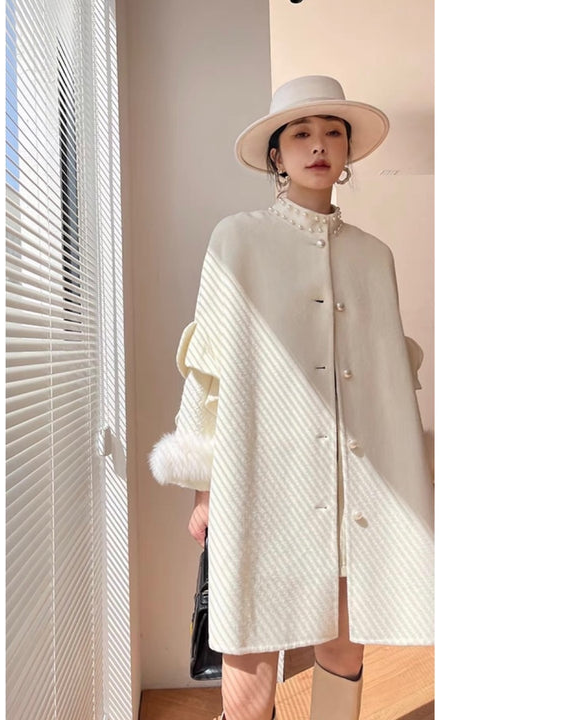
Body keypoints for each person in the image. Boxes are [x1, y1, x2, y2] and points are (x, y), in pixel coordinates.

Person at [148, 75, 434, 720]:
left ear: (348, 151)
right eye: (301, 133)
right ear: (276, 154)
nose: (319, 145)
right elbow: (209, 367)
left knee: (342, 636)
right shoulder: (237, 239)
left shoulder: (374, 257)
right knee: (251, 648)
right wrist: (203, 486)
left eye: (333, 132)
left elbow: (386, 382)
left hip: (353, 486)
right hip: (259, 473)